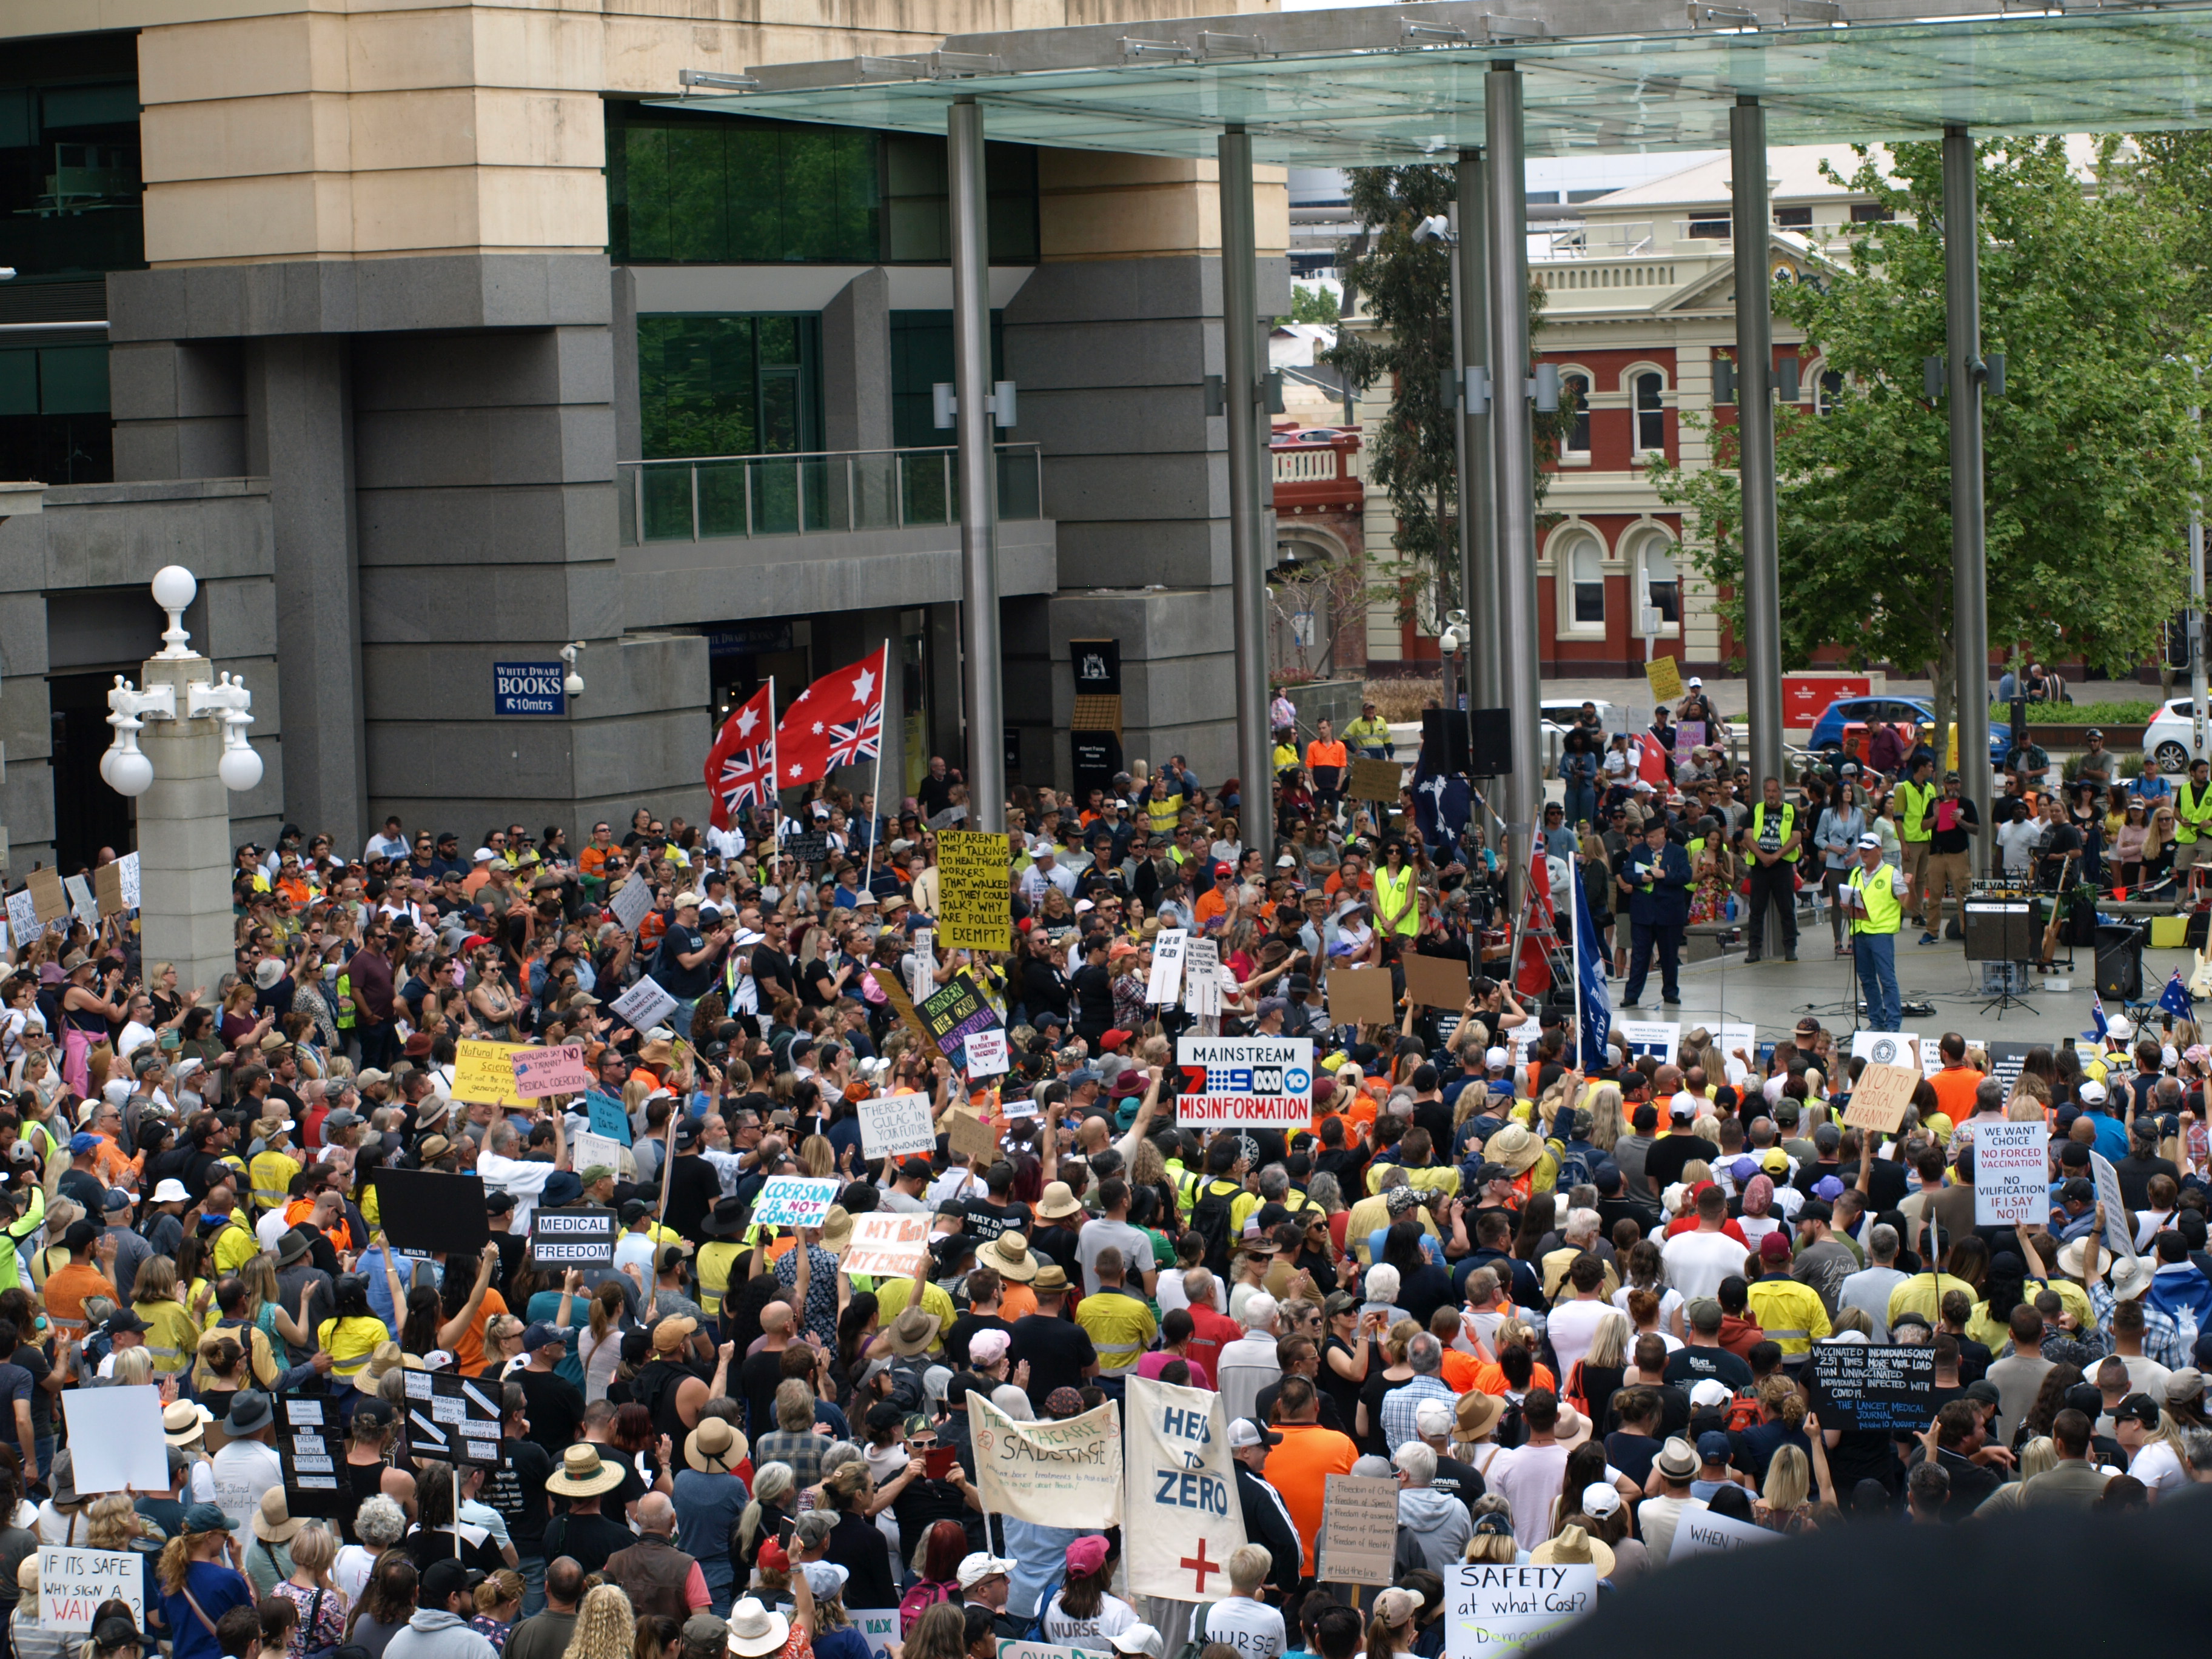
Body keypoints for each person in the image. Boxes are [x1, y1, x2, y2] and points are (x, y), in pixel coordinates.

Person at [1617, 820, 1691, 1010]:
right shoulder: (1638, 851)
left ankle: (1670, 993)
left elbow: (1686, 876)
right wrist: (1640, 878)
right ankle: (1632, 995)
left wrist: (1664, 875)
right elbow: (1626, 872)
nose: (1648, 840)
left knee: (1668, 956)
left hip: (1669, 913)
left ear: (1662, 834)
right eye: (1646, 837)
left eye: (1651, 836)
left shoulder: (1678, 852)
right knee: (1640, 956)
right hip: (1643, 913)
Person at [1841, 832, 1909, 1033]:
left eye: (1869, 850)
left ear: (1879, 850)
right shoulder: (1855, 874)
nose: (1864, 853)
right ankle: (1876, 1022)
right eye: (1862, 849)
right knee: (1867, 981)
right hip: (1860, 933)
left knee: (1887, 979)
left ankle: (1893, 1024)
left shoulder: (1892, 874)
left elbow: (1906, 902)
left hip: (1881, 934)